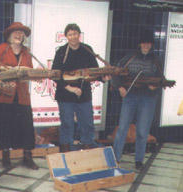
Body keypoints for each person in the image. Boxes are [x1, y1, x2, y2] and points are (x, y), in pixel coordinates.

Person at [52, 23, 110, 152]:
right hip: (65, 94)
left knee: (87, 123)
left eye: (75, 34)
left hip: (84, 94)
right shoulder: (61, 51)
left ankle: (88, 147)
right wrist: (70, 88)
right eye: (70, 34)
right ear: (66, 36)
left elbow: (94, 70)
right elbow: (55, 74)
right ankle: (67, 151)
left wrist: (103, 78)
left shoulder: (87, 49)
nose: (73, 37)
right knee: (67, 124)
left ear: (79, 35)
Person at [0, 22, 38, 170]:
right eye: (16, 33)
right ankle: (5, 157)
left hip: (22, 95)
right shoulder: (2, 49)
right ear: (9, 36)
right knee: (5, 125)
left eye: (21, 33)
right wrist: (7, 75)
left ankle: (28, 157)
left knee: (26, 126)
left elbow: (30, 71)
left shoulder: (26, 52)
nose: (19, 35)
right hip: (4, 95)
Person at [111, 30, 162, 170]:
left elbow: (160, 80)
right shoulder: (130, 57)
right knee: (122, 128)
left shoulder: (156, 60)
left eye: (148, 43)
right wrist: (120, 87)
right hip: (130, 96)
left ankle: (139, 160)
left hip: (148, 99)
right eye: (144, 43)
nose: (146, 45)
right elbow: (115, 72)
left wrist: (154, 87)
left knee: (142, 130)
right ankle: (116, 158)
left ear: (151, 45)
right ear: (140, 44)